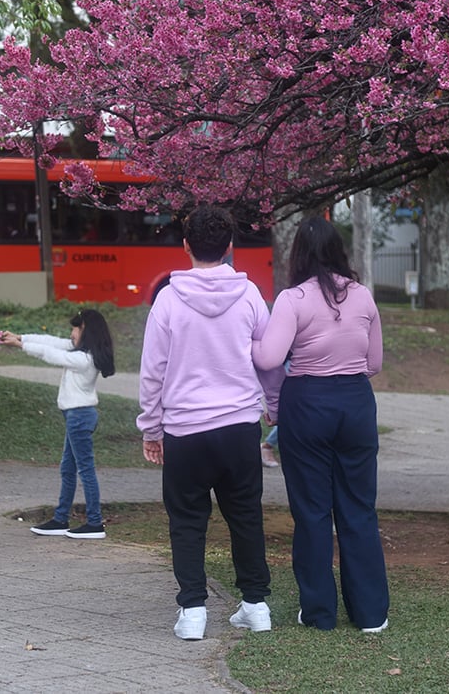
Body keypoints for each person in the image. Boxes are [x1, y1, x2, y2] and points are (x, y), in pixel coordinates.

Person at [137, 205, 279, 641]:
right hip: (239, 428)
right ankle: (255, 606)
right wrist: (272, 404)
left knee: (186, 521)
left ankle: (193, 612)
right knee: (245, 517)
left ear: (185, 246)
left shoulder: (168, 300)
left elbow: (153, 370)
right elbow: (269, 358)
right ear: (230, 247)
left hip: (185, 430)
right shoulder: (251, 295)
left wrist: (151, 427)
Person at [252, 216, 389, 633]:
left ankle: (318, 612)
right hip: (355, 403)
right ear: (338, 251)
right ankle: (370, 614)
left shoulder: (294, 299)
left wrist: (248, 339)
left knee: (312, 511)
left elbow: (269, 358)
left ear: (299, 255)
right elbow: (375, 364)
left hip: (307, 403)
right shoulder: (364, 296)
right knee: (359, 508)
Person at [0, 309, 115, 539]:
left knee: (85, 470)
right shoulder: (80, 352)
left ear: (85, 331)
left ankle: (94, 523)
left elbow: (51, 354)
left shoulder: (84, 359)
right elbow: (51, 342)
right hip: (75, 417)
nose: (71, 334)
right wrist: (20, 337)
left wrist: (21, 346)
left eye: (75, 328)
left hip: (79, 417)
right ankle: (61, 519)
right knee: (68, 468)